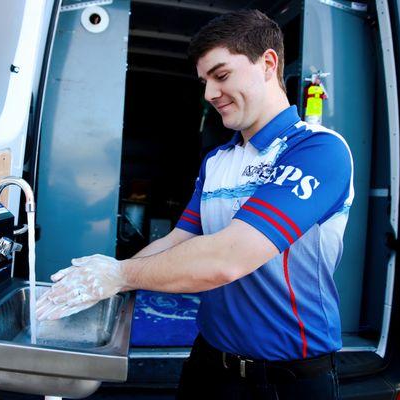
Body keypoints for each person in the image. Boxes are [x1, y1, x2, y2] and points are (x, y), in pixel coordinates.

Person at [36, 9, 352, 400]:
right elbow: (179, 239)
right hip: (209, 365)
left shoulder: (317, 150)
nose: (208, 94)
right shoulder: (217, 161)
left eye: (221, 76)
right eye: (204, 81)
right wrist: (106, 278)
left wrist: (120, 276)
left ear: (268, 64)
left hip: (288, 379)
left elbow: (228, 258)